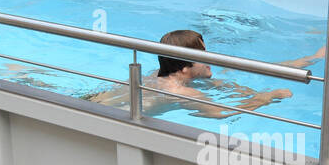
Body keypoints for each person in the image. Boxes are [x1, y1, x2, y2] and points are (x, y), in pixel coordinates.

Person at [88, 29, 292, 119]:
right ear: (185, 68)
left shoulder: (156, 74)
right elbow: (221, 113)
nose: (211, 58)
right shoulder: (185, 93)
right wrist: (268, 97)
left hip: (96, 105)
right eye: (203, 55)